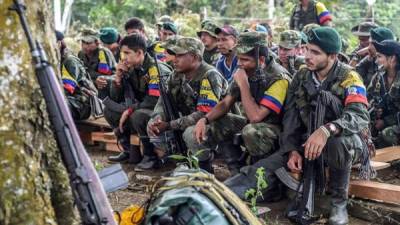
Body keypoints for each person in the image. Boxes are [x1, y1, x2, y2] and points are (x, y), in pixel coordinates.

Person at [226, 27, 372, 225]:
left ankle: (339, 203)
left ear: (332, 56)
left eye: (315, 52)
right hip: (307, 142)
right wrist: (292, 149)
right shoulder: (302, 76)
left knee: (339, 142)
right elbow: (291, 118)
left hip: (344, 141)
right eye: (306, 49)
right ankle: (225, 192)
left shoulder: (350, 77)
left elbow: (359, 115)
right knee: (254, 175)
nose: (307, 56)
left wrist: (327, 129)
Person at [191, 32, 291, 174]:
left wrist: (243, 84)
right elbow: (226, 103)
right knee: (219, 121)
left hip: (279, 130)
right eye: (239, 59)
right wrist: (204, 119)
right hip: (259, 125)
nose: (239, 63)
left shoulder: (278, 78)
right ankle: (236, 170)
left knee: (251, 131)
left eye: (244, 59)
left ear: (261, 60)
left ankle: (262, 175)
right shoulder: (249, 70)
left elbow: (256, 117)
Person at [138, 37, 227, 170]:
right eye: (175, 55)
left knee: (191, 133)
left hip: (216, 123)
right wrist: (158, 117)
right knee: (152, 124)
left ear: (194, 57)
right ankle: (179, 161)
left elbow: (204, 114)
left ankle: (204, 167)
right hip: (189, 120)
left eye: (179, 55)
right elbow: (163, 100)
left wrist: (169, 125)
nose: (175, 59)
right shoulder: (176, 75)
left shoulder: (209, 75)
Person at [104, 34, 172, 163]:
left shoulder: (155, 69)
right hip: (141, 109)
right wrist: (117, 79)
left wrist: (130, 110)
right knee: (109, 111)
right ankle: (127, 150)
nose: (123, 57)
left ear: (139, 53)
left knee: (138, 115)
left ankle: (150, 156)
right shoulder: (130, 68)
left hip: (160, 113)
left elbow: (154, 100)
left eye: (127, 53)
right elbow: (115, 98)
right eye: (122, 53)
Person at [57, 31, 96, 121]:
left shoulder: (69, 61)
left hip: (82, 104)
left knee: (56, 106)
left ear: (59, 44)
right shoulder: (57, 58)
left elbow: (68, 89)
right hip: (71, 100)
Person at [368, 40, 400, 148]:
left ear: (392, 59)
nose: (376, 61)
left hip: (395, 123)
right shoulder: (378, 77)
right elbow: (368, 99)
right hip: (386, 120)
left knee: (387, 134)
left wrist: (385, 121)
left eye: (379, 57)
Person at [77, 28, 116, 99]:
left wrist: (102, 79)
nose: (85, 46)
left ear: (97, 43)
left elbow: (114, 75)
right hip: (88, 88)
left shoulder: (104, 53)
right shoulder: (81, 54)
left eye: (88, 43)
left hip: (104, 91)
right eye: (83, 42)